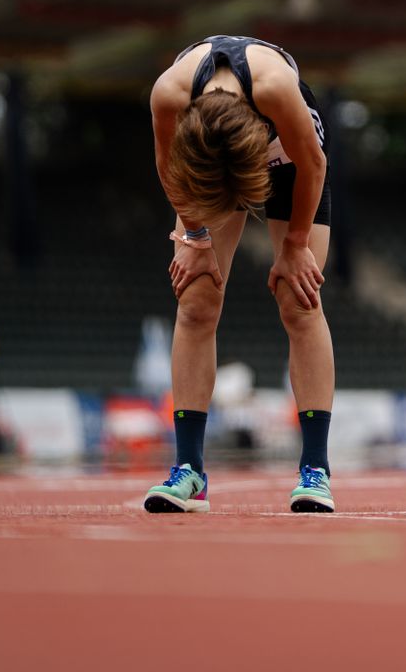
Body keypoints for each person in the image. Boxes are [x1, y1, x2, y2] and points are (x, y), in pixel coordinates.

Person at [144, 35, 335, 514]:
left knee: (300, 297)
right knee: (196, 299)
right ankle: (189, 470)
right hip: (208, 164)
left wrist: (294, 247)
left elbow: (313, 163)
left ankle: (315, 469)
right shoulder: (169, 94)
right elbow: (169, 168)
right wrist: (196, 236)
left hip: (290, 162)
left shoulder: (275, 89)